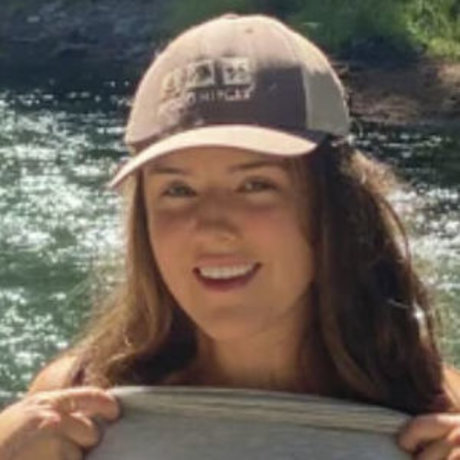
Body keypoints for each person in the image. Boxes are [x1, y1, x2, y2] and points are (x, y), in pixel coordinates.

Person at [1, 13, 460, 460]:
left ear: (335, 205)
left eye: (255, 185)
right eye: (178, 190)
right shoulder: (69, 404)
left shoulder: (438, 410)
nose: (212, 227)